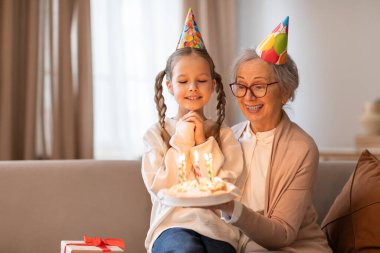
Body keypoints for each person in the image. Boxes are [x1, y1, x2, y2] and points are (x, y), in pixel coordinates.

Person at [213, 17, 332, 252]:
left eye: (259, 86)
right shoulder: (227, 137)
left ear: (285, 92)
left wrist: (230, 207)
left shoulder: (302, 148)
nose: (248, 97)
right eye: (241, 86)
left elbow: (283, 233)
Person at [141, 9, 243, 253]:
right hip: (171, 226)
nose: (193, 88)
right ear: (169, 85)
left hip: (218, 229)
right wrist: (184, 140)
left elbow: (225, 187)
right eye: (183, 81)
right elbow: (160, 187)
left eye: (201, 80)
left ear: (213, 83)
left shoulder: (224, 135)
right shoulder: (156, 134)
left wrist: (202, 142)